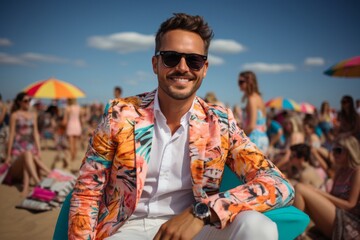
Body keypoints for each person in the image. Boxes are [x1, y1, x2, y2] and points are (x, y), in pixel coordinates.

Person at [68, 13, 294, 240]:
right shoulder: (120, 114)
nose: (183, 67)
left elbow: (280, 185)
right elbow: (87, 191)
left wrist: (202, 212)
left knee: (257, 226)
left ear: (204, 68)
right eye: (171, 58)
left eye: (194, 60)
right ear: (156, 64)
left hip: (194, 228)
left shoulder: (219, 122)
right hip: (127, 229)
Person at [293, 135, 360, 239]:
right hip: (337, 214)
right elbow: (332, 198)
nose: (334, 153)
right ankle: (297, 234)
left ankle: (294, 234)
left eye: (338, 150)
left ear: (350, 151)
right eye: (333, 150)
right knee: (300, 188)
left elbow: (350, 205)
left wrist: (318, 192)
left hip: (349, 224)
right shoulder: (340, 171)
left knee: (300, 188)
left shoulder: (357, 172)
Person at [5, 92, 51, 196]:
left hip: (30, 148)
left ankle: (26, 187)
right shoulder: (14, 115)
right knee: (27, 154)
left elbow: (35, 133)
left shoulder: (33, 115)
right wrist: (8, 155)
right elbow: (11, 135)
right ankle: (39, 182)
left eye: (29, 100)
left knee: (28, 154)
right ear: (19, 102)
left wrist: (39, 150)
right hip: (17, 150)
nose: (28, 103)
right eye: (26, 101)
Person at [238, 70, 269, 153]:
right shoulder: (259, 98)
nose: (239, 84)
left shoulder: (252, 99)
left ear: (249, 82)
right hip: (262, 138)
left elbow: (251, 126)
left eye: (241, 82)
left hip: (254, 139)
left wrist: (238, 136)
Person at [62, 98, 82, 162]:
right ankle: (74, 156)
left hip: (70, 125)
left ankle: (72, 158)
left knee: (71, 144)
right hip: (77, 125)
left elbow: (64, 121)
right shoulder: (78, 107)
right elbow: (81, 118)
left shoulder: (68, 108)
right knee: (76, 144)